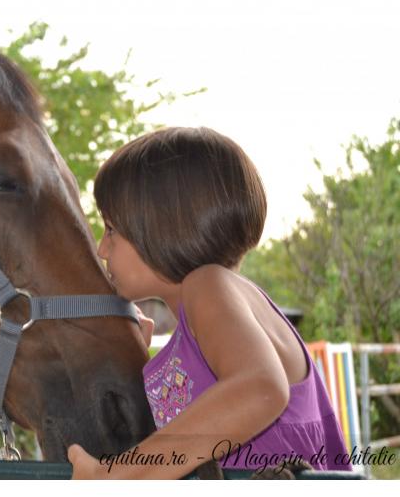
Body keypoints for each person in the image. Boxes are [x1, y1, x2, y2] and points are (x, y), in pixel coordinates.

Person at [68, 127, 351, 479]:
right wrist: (136, 365)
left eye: (111, 229)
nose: (101, 248)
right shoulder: (216, 306)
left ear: (162, 227)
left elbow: (260, 389)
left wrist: (115, 477)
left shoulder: (209, 285)